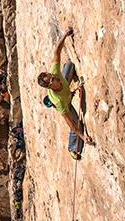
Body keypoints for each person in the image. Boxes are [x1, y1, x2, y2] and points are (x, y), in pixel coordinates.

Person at [37, 27, 94, 160]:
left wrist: (64, 35)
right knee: (77, 122)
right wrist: (83, 137)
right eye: (52, 79)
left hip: (65, 88)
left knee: (69, 65)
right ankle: (73, 148)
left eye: (52, 75)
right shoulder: (59, 101)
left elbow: (56, 52)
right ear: (50, 86)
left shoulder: (55, 73)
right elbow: (70, 124)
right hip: (65, 100)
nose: (54, 77)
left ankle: (68, 87)